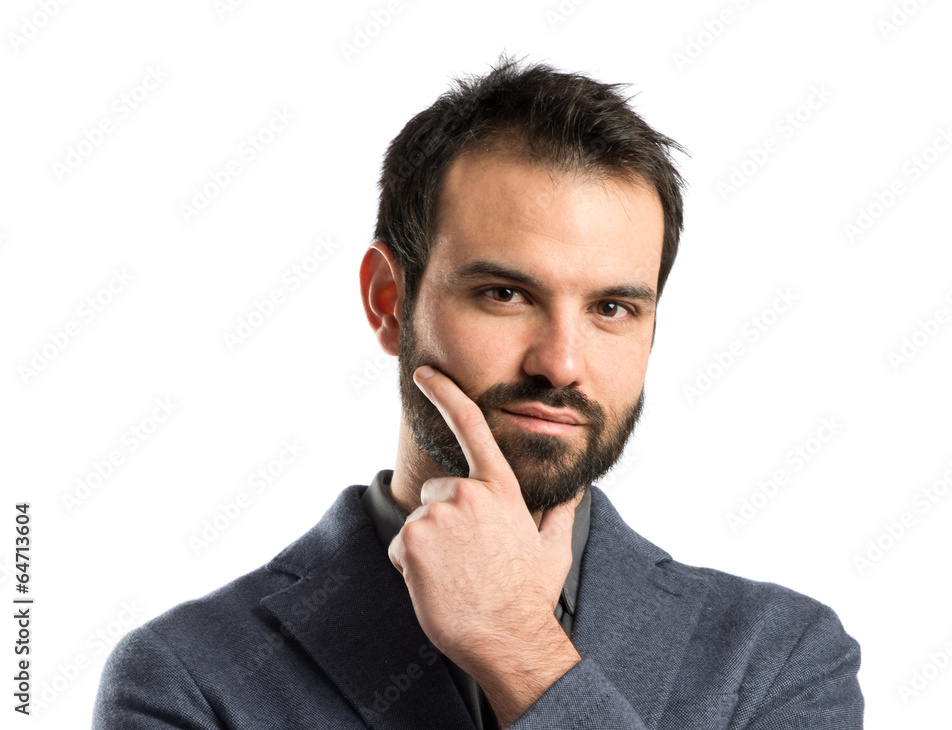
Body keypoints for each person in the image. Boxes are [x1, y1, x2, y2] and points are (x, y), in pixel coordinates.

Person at [93, 56, 864, 729]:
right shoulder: (187, 678)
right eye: (505, 294)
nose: (561, 363)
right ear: (388, 302)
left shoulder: (781, 659)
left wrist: (518, 646)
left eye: (611, 308)